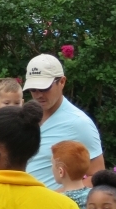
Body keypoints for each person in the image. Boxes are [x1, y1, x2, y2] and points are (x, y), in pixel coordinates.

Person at [23, 54, 105, 188]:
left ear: (62, 82)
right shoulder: (24, 118)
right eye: (33, 89)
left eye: (44, 88)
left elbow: (97, 176)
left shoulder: (79, 123)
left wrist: (57, 197)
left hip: (52, 207)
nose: (38, 95)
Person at [51, 140, 91, 209]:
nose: (51, 168)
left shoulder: (57, 201)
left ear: (60, 171)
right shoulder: (94, 195)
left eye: (52, 164)